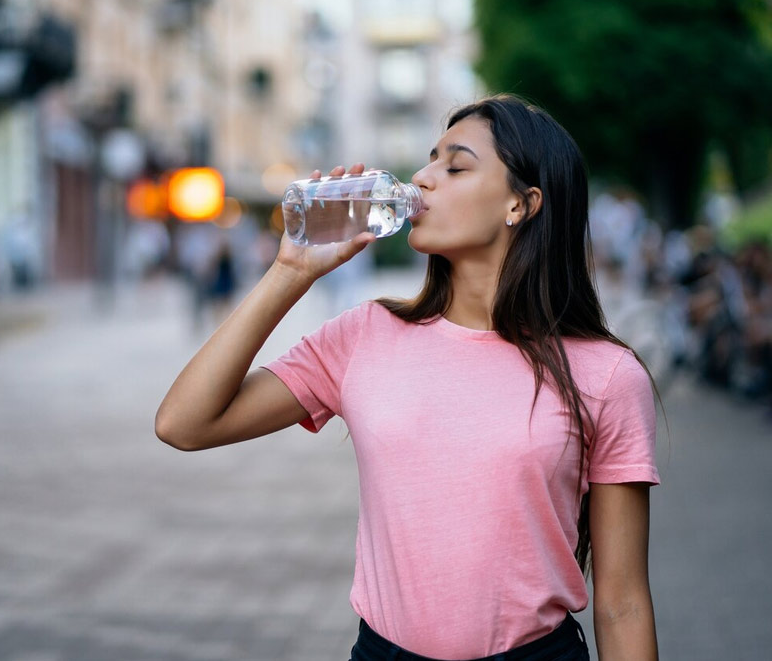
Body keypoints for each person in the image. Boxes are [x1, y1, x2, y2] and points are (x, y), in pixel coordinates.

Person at [156, 95, 660, 660]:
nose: (421, 177)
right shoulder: (365, 336)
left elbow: (622, 603)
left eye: (456, 166)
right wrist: (289, 272)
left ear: (520, 204)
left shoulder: (606, 375)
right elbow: (184, 424)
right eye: (430, 159)